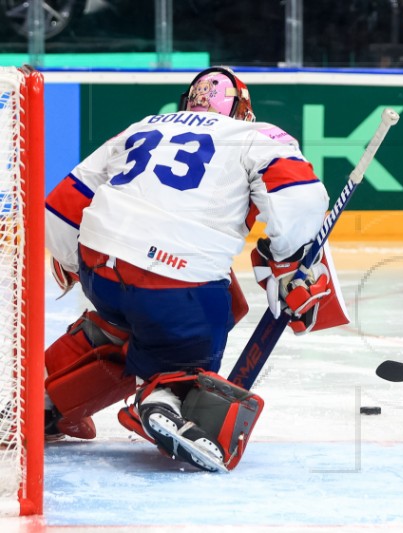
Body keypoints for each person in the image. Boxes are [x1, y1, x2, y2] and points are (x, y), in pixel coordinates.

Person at [43, 67, 337, 472]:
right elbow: (300, 196)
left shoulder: (143, 126)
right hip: (175, 285)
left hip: (100, 270)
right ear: (242, 108)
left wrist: (76, 263)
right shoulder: (255, 135)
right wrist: (289, 263)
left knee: (128, 322)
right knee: (204, 315)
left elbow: (61, 202)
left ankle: (49, 399)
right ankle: (167, 395)